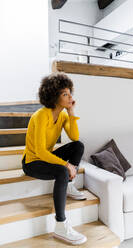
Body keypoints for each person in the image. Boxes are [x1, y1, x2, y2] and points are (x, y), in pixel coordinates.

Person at [22, 72, 87, 245]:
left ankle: (69, 185)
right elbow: (40, 152)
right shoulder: (41, 115)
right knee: (61, 170)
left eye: (69, 93)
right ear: (54, 95)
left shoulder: (64, 115)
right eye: (65, 94)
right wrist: (66, 165)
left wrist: (71, 111)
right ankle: (60, 225)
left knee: (78, 146)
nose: (70, 97)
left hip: (45, 158)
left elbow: (74, 136)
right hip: (32, 162)